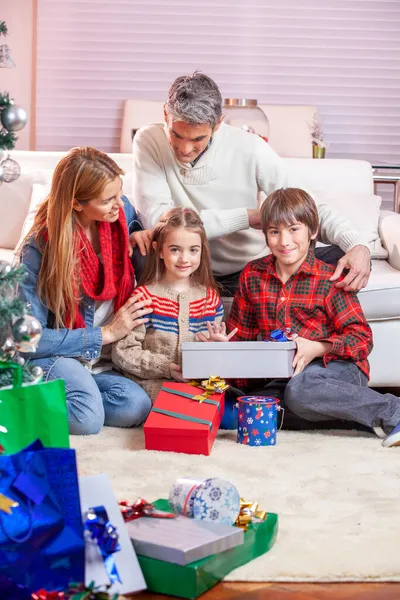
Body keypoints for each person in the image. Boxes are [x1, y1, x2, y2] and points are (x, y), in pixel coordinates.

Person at [132, 71, 371, 296]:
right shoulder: (149, 140)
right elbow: (160, 224)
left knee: (345, 256)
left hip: (248, 270)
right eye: (176, 134)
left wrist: (358, 245)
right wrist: (247, 217)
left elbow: (306, 206)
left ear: (218, 124)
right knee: (140, 249)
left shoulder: (250, 147)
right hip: (183, 270)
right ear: (166, 114)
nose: (184, 149)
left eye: (198, 139)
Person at [218, 187, 400, 447]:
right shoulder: (252, 275)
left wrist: (318, 347)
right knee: (240, 411)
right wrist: (221, 352)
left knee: (301, 390)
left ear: (312, 231)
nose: (284, 241)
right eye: (274, 232)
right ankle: (356, 417)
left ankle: (393, 410)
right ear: (265, 235)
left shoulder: (329, 277)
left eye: (293, 230)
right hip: (286, 377)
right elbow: (241, 341)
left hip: (337, 369)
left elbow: (361, 340)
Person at [18, 147, 154, 435]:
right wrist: (105, 334)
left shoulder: (122, 214)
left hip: (94, 363)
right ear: (77, 204)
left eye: (119, 193)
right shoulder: (39, 248)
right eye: (107, 200)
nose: (120, 204)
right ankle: (15, 404)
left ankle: (70, 395)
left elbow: (146, 260)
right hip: (55, 356)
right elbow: (28, 340)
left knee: (136, 405)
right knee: (87, 419)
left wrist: (142, 234)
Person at [112, 207, 235, 401]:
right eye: (175, 249)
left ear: (202, 251)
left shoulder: (210, 299)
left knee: (229, 414)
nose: (184, 259)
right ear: (159, 250)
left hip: (198, 389)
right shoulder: (144, 297)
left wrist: (214, 350)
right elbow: (123, 352)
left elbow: (214, 369)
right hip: (153, 387)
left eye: (193, 250)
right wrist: (166, 367)